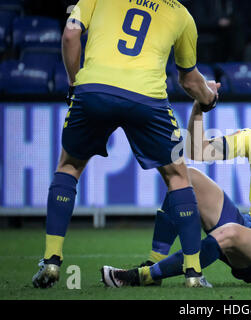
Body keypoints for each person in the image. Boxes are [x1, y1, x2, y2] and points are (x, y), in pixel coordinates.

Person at [32, 0, 219, 289]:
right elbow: (190, 80)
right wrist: (209, 98)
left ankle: (52, 261)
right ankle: (193, 273)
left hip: (93, 90)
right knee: (178, 177)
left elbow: (70, 35)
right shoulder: (181, 14)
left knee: (69, 165)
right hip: (147, 97)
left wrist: (73, 85)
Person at [101, 76, 251, 288]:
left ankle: (143, 276)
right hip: (250, 228)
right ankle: (154, 262)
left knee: (228, 232)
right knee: (187, 178)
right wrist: (200, 106)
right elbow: (199, 151)